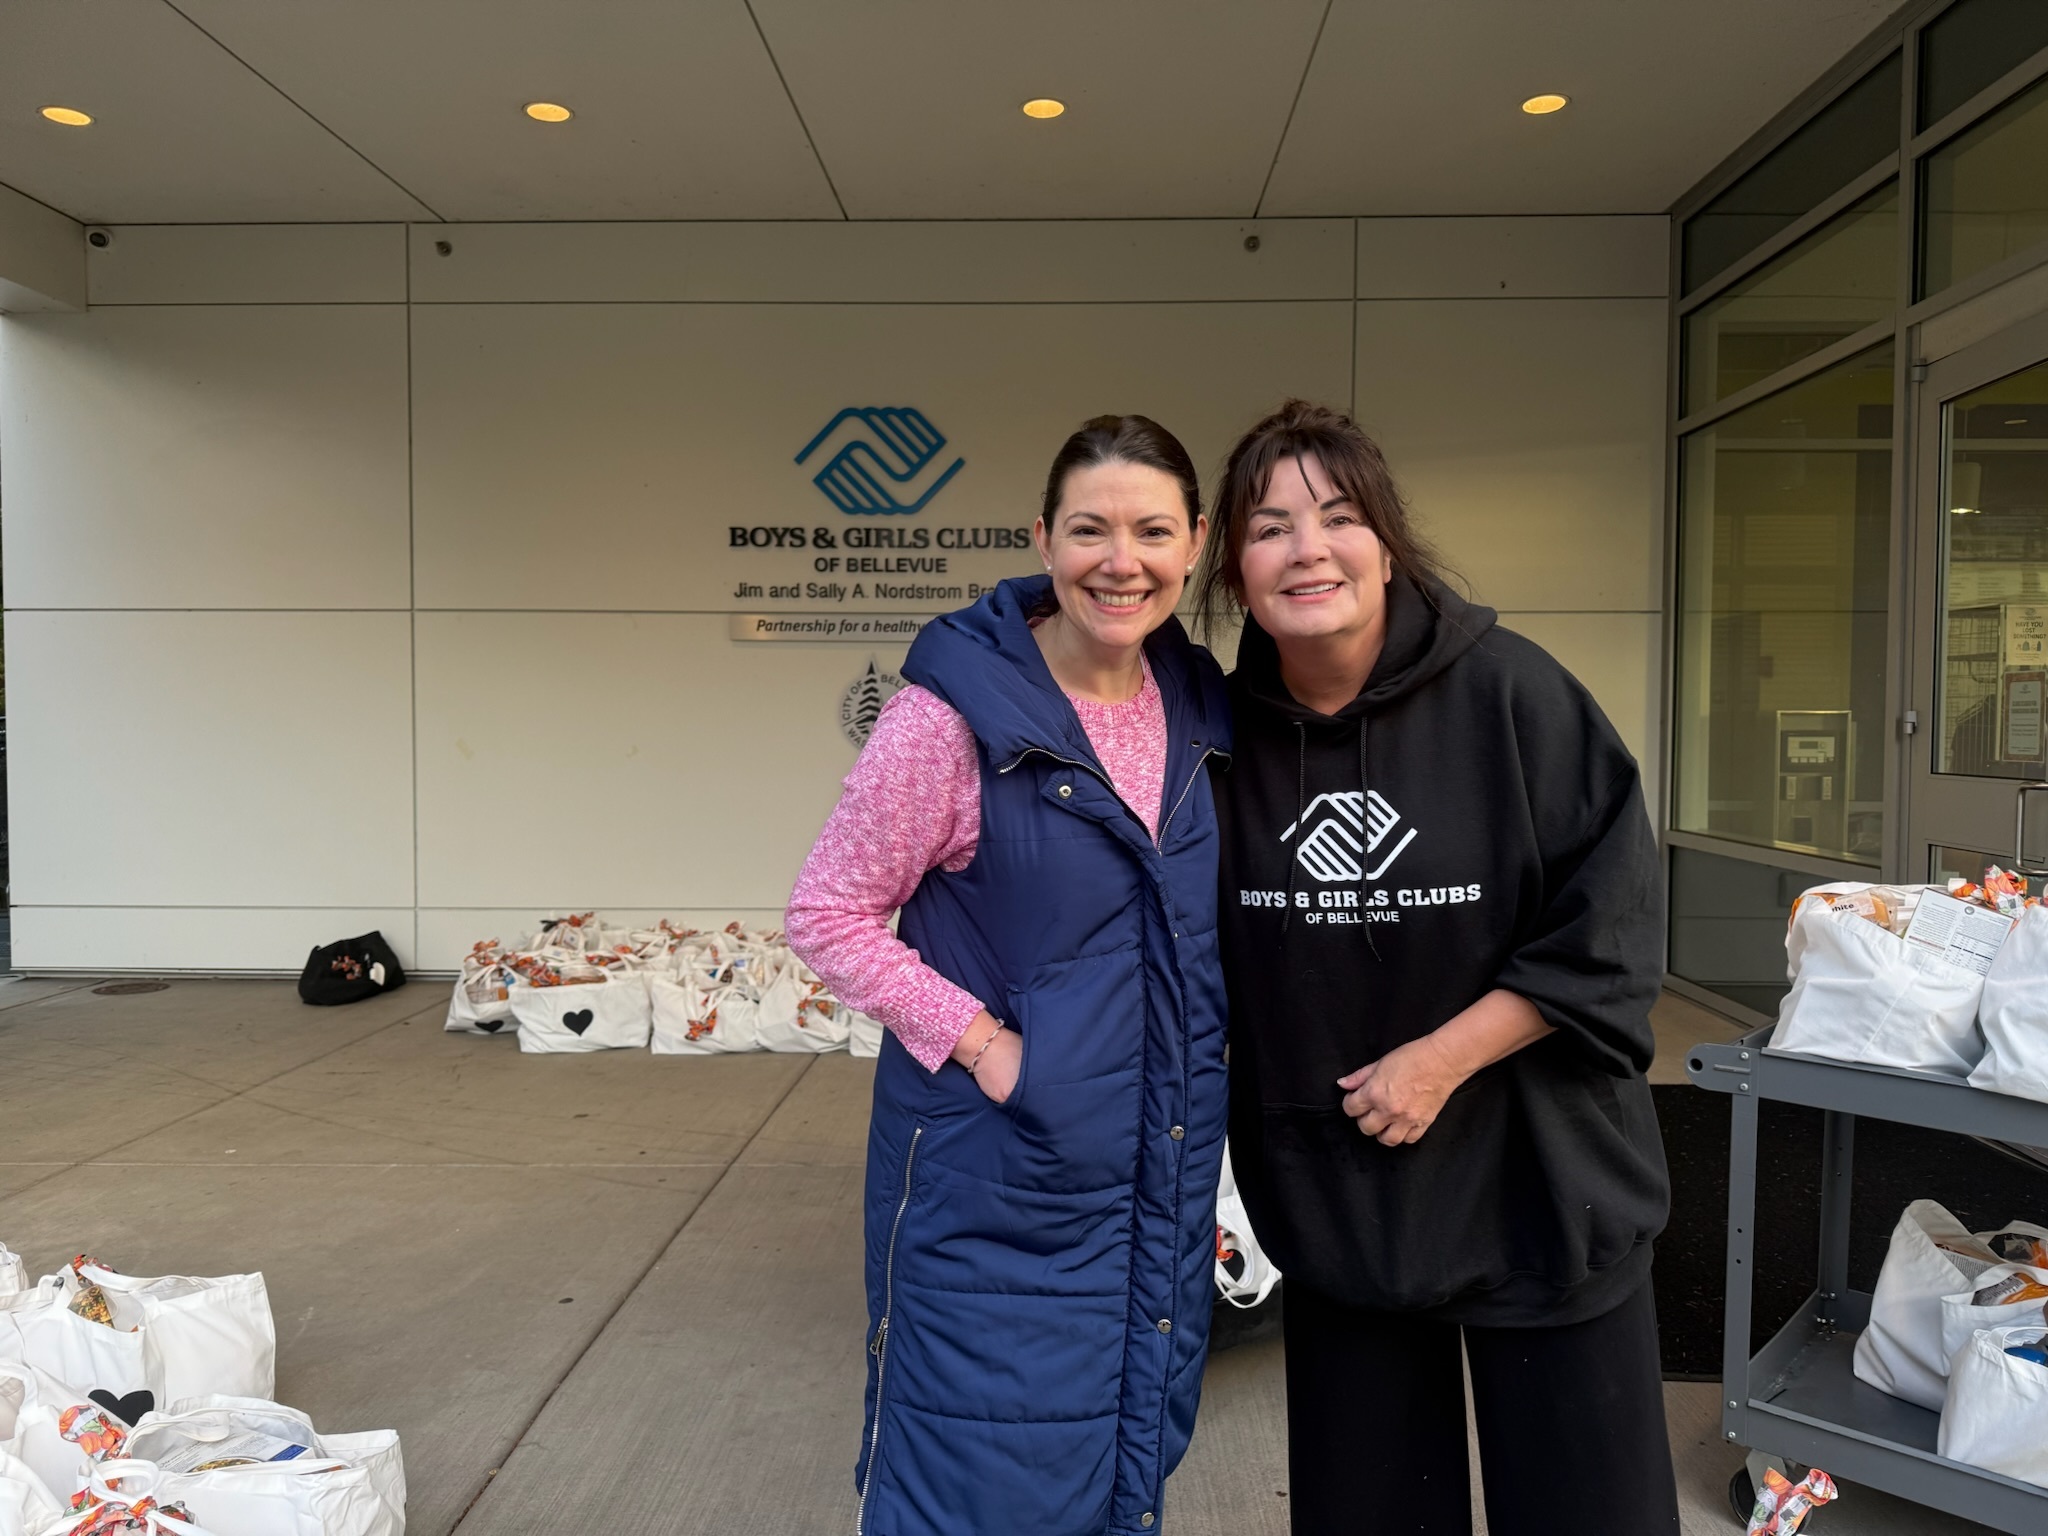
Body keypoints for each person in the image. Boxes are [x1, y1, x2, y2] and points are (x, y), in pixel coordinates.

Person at [1197, 399, 1678, 1535]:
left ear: (1387, 542)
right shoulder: (1217, 740)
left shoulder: (1514, 695)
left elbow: (1609, 927)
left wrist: (1440, 1059)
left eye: (1338, 516)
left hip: (1539, 1188)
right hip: (1342, 1202)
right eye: (1268, 527)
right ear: (1233, 570)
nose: (1307, 549)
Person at [786, 414, 1231, 1536]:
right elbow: (827, 914)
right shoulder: (948, 722)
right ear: (1042, 538)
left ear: (1195, 542)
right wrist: (987, 1048)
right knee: (978, 1479)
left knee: (1124, 1458)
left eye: (1151, 532)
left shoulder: (1199, 707)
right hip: (994, 1181)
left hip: (1157, 1176)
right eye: (1088, 530)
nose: (1119, 562)